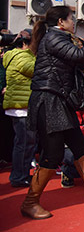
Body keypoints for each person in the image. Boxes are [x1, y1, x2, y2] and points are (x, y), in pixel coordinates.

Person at [22, 6, 84, 220]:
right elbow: (78, 55)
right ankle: (30, 201)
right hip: (49, 101)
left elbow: (82, 61)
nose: (73, 22)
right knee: (53, 153)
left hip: (59, 101)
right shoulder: (53, 37)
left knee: (79, 146)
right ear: (61, 22)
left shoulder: (58, 38)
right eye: (71, 18)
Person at [3, 30, 36, 187]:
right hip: (21, 107)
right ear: (24, 44)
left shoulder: (13, 55)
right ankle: (19, 177)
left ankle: (21, 174)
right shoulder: (22, 57)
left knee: (25, 143)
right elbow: (36, 69)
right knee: (24, 143)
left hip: (21, 106)